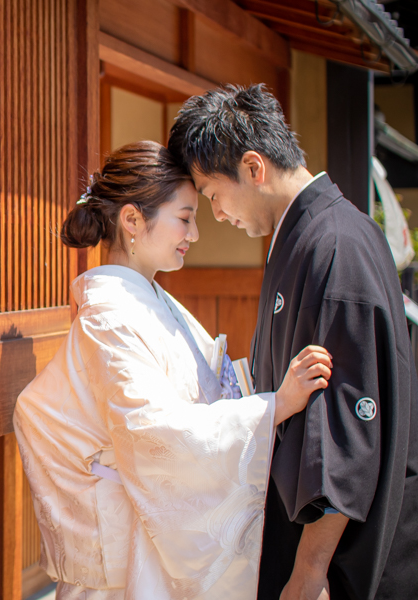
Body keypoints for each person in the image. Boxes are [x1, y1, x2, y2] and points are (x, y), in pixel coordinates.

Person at [13, 141, 332, 599]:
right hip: (137, 549)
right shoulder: (109, 318)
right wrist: (273, 407)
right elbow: (154, 434)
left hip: (161, 532)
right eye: (184, 218)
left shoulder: (149, 300)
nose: (194, 234)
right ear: (132, 220)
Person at [168, 83, 418, 600]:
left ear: (254, 168)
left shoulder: (333, 246)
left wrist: (309, 571)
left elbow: (345, 428)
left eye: (214, 195)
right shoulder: (313, 236)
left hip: (338, 557)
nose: (216, 215)